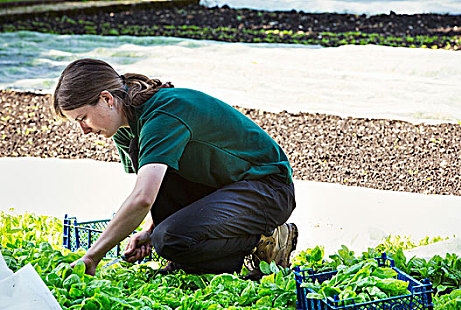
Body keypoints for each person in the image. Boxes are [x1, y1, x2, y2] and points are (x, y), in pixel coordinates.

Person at [52, 58, 298, 280]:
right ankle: (193, 258)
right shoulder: (125, 124)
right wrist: (150, 229)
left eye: (82, 118)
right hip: (222, 188)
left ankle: (265, 240)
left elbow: (142, 199)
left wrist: (93, 256)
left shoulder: (162, 115)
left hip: (268, 190)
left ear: (107, 99)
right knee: (164, 236)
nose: (83, 130)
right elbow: (157, 184)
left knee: (169, 240)